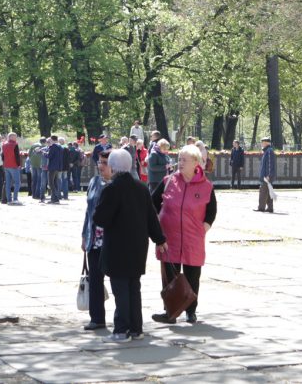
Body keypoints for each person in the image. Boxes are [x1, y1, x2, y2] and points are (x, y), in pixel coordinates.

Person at [92, 148, 167, 343]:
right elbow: (152, 218)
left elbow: (101, 218)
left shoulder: (111, 189)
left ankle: (121, 330)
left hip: (117, 248)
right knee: (134, 288)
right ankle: (136, 328)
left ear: (113, 167)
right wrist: (160, 239)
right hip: (137, 247)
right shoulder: (141, 188)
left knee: (121, 290)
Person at [151, 144, 217, 325]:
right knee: (169, 278)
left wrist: (203, 228)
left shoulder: (206, 186)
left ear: (196, 162)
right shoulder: (168, 181)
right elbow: (152, 203)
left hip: (192, 239)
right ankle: (170, 311)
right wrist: (157, 225)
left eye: (184, 160)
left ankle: (190, 311)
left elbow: (211, 212)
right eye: (179, 159)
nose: (180, 163)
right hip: (168, 238)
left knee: (192, 276)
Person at [81, 149, 113, 331]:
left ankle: (124, 316)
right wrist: (84, 236)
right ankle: (97, 318)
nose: (100, 166)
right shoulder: (94, 182)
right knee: (94, 279)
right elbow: (88, 212)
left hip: (112, 241)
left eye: (104, 163)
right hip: (94, 239)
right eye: (99, 162)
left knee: (118, 281)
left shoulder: (118, 185)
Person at [256, 137, 276, 213]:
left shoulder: (269, 151)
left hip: (266, 176)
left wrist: (268, 175)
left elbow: (270, 164)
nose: (261, 143)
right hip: (266, 176)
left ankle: (261, 207)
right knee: (268, 192)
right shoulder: (267, 151)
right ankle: (270, 208)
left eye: (262, 142)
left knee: (263, 192)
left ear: (267, 143)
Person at [2, 132, 22, 204]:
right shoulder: (15, 144)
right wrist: (19, 164)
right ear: (11, 137)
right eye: (15, 137)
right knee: (17, 183)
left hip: (6, 165)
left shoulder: (4, 144)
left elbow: (2, 156)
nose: (16, 138)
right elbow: (17, 156)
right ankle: (15, 199)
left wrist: (5, 163)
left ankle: (9, 200)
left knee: (8, 184)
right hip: (14, 166)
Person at [47, 134, 65, 203]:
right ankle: (54, 199)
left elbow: (49, 156)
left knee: (51, 183)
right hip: (58, 167)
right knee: (55, 183)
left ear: (52, 139)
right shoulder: (60, 146)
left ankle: (55, 198)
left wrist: (43, 153)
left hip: (52, 167)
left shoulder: (53, 146)